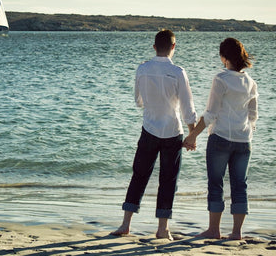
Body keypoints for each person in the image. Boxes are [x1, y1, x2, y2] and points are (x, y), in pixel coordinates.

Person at [111, 29, 197, 240]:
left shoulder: (143, 69)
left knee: (139, 175)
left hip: (149, 128)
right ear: (173, 47)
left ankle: (125, 224)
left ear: (154, 47)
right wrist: (192, 134)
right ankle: (162, 228)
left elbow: (138, 101)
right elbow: (188, 107)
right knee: (168, 180)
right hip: (172, 131)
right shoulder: (178, 72)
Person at [183, 38, 258, 240]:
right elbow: (253, 116)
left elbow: (210, 114)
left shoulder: (221, 79)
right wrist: (246, 133)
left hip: (221, 138)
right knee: (240, 185)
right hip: (244, 141)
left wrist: (192, 136)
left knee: (216, 183)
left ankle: (214, 230)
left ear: (224, 58)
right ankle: (236, 233)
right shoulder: (251, 82)